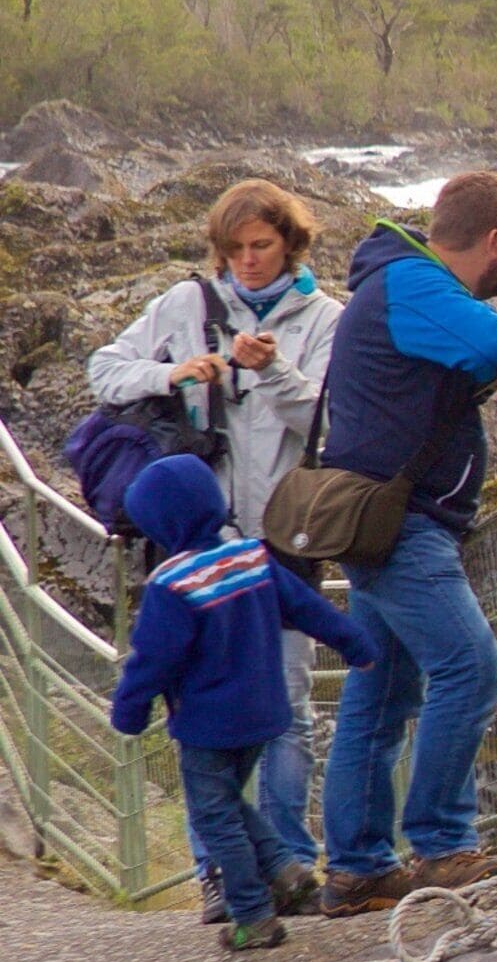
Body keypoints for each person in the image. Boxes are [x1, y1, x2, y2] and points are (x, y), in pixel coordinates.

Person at [83, 178, 344, 912]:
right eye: (234, 251)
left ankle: (288, 863)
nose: (248, 263)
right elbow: (104, 370)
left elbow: (325, 421)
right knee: (198, 717)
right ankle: (221, 877)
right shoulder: (185, 305)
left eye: (261, 247)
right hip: (194, 543)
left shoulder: (325, 319)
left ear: (290, 243)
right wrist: (175, 370)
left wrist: (273, 370)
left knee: (290, 707)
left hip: (283, 533)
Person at [316, 170, 497, 918]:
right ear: (495, 240)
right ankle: (441, 844)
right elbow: (496, 346)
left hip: (382, 516)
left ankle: (356, 870)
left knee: (381, 690)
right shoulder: (412, 282)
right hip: (400, 525)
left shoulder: (392, 278)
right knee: (470, 666)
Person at [105, 456, 380, 949]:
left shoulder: (173, 584)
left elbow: (153, 659)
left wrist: (129, 711)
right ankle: (285, 870)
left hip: (209, 724)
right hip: (265, 711)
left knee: (214, 817)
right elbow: (306, 606)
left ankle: (253, 913)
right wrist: (355, 645)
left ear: (159, 524)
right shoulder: (250, 557)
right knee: (226, 801)